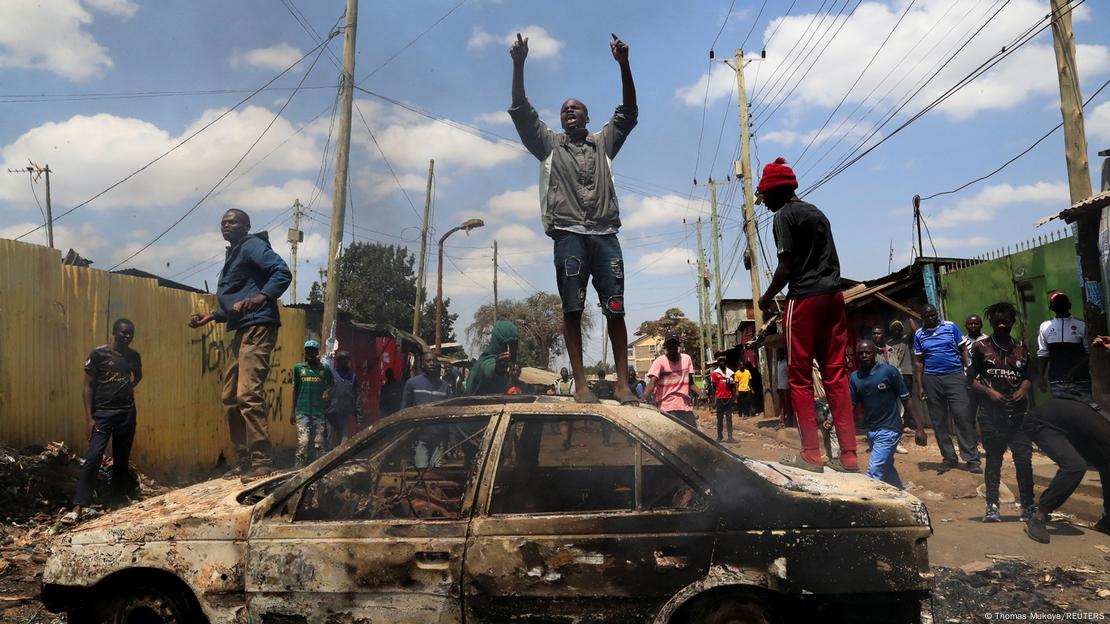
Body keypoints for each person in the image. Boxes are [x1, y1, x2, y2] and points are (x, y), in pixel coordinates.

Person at [509, 31, 638, 405]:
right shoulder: (548, 145)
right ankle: (580, 384)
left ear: (587, 116)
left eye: (576, 107)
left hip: (605, 233)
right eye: (564, 108)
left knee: (616, 306)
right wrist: (519, 65)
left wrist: (624, 64)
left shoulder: (604, 143)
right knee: (572, 307)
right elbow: (521, 111)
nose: (569, 110)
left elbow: (628, 113)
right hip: (567, 233)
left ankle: (623, 384)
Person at [756, 157, 857, 473]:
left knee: (799, 377)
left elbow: (786, 267)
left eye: (765, 196)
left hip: (803, 299)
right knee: (835, 375)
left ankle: (811, 454)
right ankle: (850, 456)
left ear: (776, 190)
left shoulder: (784, 216)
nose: (764, 203)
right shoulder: (817, 212)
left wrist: (766, 297)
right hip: (834, 297)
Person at [188, 209, 291, 480]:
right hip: (242, 328)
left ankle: (261, 462)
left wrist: (261, 298)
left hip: (259, 325)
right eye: (223, 222)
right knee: (230, 397)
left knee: (247, 393)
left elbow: (281, 272)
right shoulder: (234, 254)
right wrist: (209, 316)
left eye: (232, 221)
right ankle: (243, 460)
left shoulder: (252, 246)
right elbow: (236, 303)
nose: (226, 225)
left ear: (246, 226)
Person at [65, 319, 143, 525]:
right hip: (102, 415)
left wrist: (127, 389)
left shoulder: (134, 356)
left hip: (126, 413)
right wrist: (89, 418)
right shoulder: (98, 354)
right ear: (114, 332)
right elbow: (88, 387)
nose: (127, 337)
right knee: (93, 457)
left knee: (122, 459)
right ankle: (79, 505)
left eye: (130, 334)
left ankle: (117, 501)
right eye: (123, 333)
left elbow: (138, 376)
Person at [968, 302, 1036, 523]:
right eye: (997, 321)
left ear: (1012, 322)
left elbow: (1029, 376)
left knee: (1024, 461)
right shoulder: (980, 348)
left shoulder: (1022, 348)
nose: (1001, 324)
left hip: (1018, 415)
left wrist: (1024, 389)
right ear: (991, 322)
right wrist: (989, 392)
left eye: (1005, 321)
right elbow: (970, 380)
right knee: (994, 461)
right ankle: (992, 506)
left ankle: (1027, 507)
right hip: (991, 416)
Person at [1022, 399, 1110, 543]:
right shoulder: (1105, 431)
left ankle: (1107, 522)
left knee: (1105, 464)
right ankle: (1039, 516)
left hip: (1072, 427)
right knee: (1075, 466)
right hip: (1041, 422)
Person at [850, 341, 928, 490]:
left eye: (868, 352)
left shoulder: (888, 371)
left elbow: (906, 399)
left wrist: (920, 428)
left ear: (875, 353)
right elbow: (850, 405)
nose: (864, 355)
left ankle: (867, 508)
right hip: (872, 431)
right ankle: (901, 496)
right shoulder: (855, 378)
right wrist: (833, 420)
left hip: (890, 429)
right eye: (861, 353)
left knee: (874, 474)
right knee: (886, 472)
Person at [914, 303, 980, 474]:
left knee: (962, 416)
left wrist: (969, 368)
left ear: (937, 314)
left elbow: (963, 348)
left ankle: (972, 459)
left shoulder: (950, 327)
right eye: (927, 316)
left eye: (933, 314)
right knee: (939, 421)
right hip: (931, 379)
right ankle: (949, 458)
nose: (931, 317)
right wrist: (920, 386)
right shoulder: (919, 335)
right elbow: (919, 362)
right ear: (922, 318)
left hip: (955, 376)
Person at [1037, 291, 1092, 404]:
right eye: (1057, 302)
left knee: (1083, 413)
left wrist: (1074, 371)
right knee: (1062, 415)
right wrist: (1041, 378)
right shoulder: (1045, 327)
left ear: (1068, 305)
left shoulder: (1081, 325)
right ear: (1052, 307)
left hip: (1080, 381)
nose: (1060, 304)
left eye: (1063, 301)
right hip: (1057, 381)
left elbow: (1089, 353)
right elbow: (1043, 354)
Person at [643, 334, 706, 428]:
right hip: (666, 406)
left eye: (674, 344)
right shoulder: (660, 361)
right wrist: (643, 397)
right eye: (669, 344)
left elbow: (690, 383)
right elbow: (652, 382)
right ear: (665, 346)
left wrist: (701, 394)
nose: (672, 346)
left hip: (684, 405)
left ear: (678, 345)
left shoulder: (686, 359)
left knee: (692, 434)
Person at [291, 339, 334, 469]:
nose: (309, 353)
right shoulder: (299, 368)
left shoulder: (324, 369)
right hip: (302, 411)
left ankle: (318, 470)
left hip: (318, 412)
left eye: (312, 351)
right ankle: (298, 469)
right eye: (307, 351)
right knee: (303, 441)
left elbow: (332, 384)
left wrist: (327, 392)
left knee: (318, 442)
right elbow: (295, 390)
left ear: (317, 352)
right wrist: (292, 411)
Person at [466, 320, 519, 395]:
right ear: (497, 343)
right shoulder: (485, 362)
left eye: (514, 344)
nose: (512, 350)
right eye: (507, 345)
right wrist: (497, 369)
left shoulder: (511, 369)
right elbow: (488, 368)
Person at [326, 351, 359, 449]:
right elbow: (324, 391)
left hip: (345, 413)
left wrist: (359, 415)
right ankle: (328, 462)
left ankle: (341, 463)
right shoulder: (331, 374)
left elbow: (357, 396)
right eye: (341, 360)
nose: (344, 362)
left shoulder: (353, 377)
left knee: (344, 442)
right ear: (337, 361)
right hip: (330, 413)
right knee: (330, 441)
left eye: (345, 360)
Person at [710, 356, 735, 442]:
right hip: (719, 398)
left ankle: (730, 437)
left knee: (729, 418)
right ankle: (719, 436)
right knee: (719, 418)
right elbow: (714, 388)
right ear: (718, 363)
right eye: (720, 361)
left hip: (728, 397)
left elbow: (733, 386)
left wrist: (734, 398)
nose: (722, 363)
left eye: (723, 361)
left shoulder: (730, 373)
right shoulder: (715, 373)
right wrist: (714, 401)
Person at [775, 354, 793, 429]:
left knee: (788, 404)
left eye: (780, 352)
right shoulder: (778, 362)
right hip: (780, 387)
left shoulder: (786, 362)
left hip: (786, 387)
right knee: (781, 405)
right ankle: (782, 421)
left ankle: (789, 421)